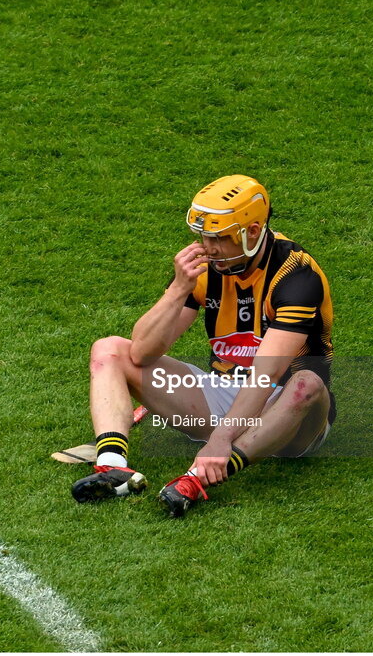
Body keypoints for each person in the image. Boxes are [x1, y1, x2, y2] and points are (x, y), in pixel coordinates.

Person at [71, 175, 335, 517]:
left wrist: (221, 438)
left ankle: (196, 480)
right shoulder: (209, 267)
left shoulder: (297, 276)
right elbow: (141, 353)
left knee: (307, 385)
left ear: (252, 231)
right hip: (224, 392)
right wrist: (179, 288)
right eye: (203, 236)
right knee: (110, 349)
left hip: (285, 413)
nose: (208, 247)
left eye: (219, 238)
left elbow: (267, 374)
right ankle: (112, 467)